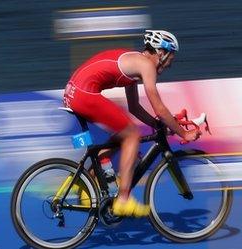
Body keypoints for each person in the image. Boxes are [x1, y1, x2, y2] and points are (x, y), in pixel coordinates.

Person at [62, 30, 201, 217]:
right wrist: (183, 133)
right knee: (132, 135)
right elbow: (159, 108)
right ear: (161, 53)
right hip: (83, 94)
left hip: (75, 91)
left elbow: (134, 107)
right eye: (171, 58)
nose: (170, 64)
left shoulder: (135, 63)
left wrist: (156, 124)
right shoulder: (146, 66)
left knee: (124, 135)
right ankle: (123, 200)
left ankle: (84, 178)